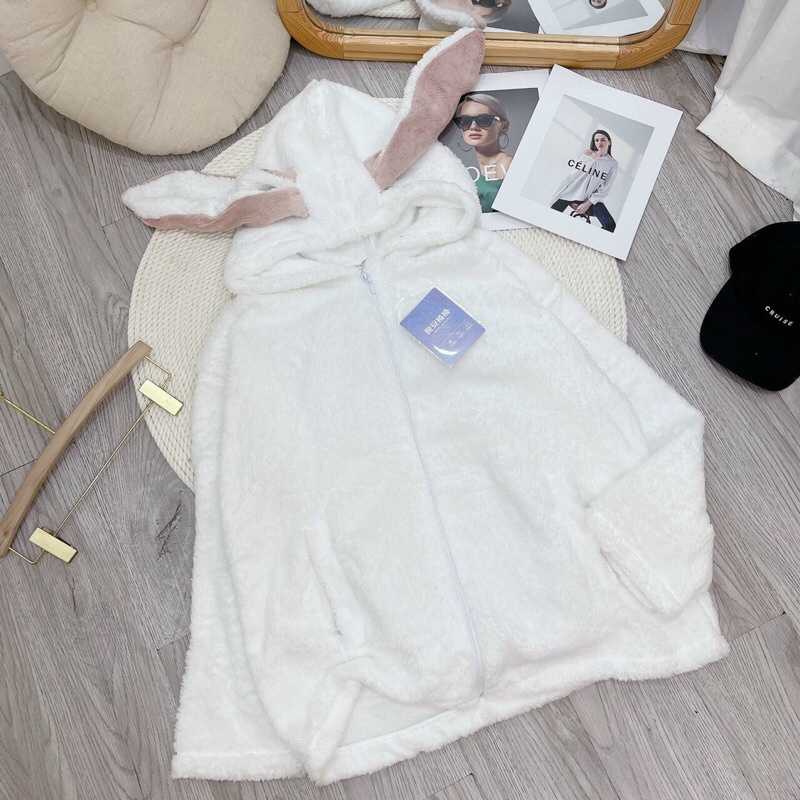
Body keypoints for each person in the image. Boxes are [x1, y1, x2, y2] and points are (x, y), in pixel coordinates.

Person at [453, 92, 513, 214]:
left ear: (504, 126)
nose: (473, 127)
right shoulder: (455, 165)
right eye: (465, 121)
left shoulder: (509, 165)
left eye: (484, 119)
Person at [550, 129, 618, 232]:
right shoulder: (587, 153)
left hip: (592, 198)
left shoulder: (612, 164)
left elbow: (605, 187)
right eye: (597, 140)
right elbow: (573, 176)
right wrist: (570, 200)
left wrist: (588, 203)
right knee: (552, 214)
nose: (599, 142)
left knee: (610, 225)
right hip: (572, 193)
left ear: (609, 142)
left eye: (603, 140)